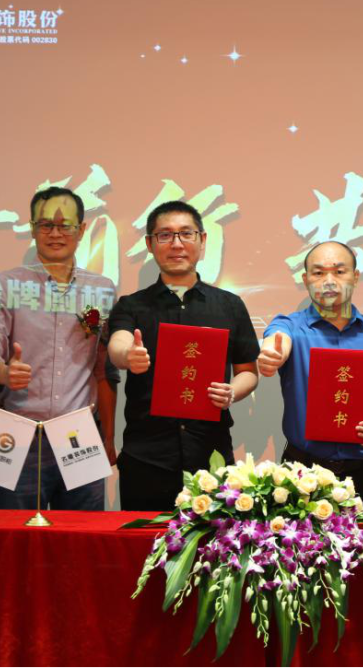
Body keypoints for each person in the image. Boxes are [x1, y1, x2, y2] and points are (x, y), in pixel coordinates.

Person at [0, 186, 118, 511]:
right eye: (45, 225)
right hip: (16, 433)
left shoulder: (102, 289)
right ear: (32, 228)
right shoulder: (3, 286)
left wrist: (108, 438)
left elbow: (103, 370)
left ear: (81, 229)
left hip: (80, 433)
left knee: (83, 535)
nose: (55, 234)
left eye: (65, 225)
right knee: (15, 536)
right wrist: (4, 373)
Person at [108, 201, 259, 511]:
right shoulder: (132, 305)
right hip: (147, 458)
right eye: (165, 235)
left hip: (211, 457)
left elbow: (248, 371)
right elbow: (117, 345)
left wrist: (233, 391)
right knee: (143, 541)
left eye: (186, 234)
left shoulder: (229, 305)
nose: (176, 244)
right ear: (150, 244)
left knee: (215, 542)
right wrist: (128, 355)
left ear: (202, 241)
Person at [258, 241, 363, 511]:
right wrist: (272, 354)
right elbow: (277, 340)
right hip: (302, 473)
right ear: (305, 279)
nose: (329, 281)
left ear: (355, 277)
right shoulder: (290, 326)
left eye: (339, 272)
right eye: (318, 273)